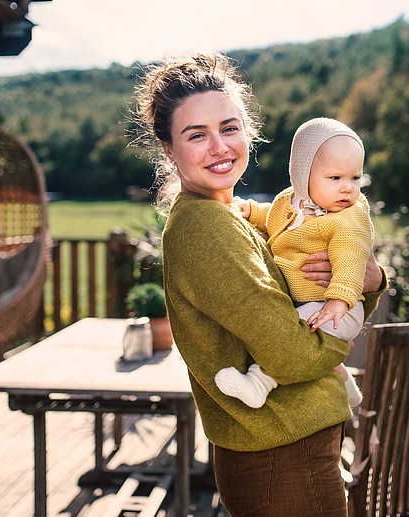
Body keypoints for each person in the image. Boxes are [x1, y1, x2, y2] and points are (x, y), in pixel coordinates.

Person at [134, 52, 386, 517]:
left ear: (247, 130)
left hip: (286, 447)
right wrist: (354, 314)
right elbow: (292, 356)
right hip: (281, 454)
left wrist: (364, 279)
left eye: (229, 128)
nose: (219, 146)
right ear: (169, 149)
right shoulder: (205, 228)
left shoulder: (232, 215)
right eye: (196, 135)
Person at [215, 117, 372, 409]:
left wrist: (338, 301)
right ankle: (346, 385)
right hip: (307, 303)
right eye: (336, 178)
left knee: (289, 335)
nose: (348, 188)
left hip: (336, 307)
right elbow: (274, 218)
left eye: (355, 178)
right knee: (302, 336)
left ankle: (259, 383)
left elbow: (351, 259)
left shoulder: (347, 218)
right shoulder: (291, 200)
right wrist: (252, 211)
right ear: (302, 175)